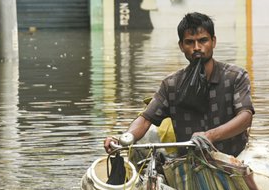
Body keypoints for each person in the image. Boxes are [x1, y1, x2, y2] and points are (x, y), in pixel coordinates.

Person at [105, 12, 253, 158]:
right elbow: (145, 119)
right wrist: (123, 140)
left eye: (203, 40)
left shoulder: (235, 76)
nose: (196, 47)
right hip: (189, 163)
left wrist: (210, 136)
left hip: (234, 160)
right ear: (181, 46)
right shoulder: (171, 84)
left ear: (213, 42)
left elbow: (245, 117)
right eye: (189, 42)